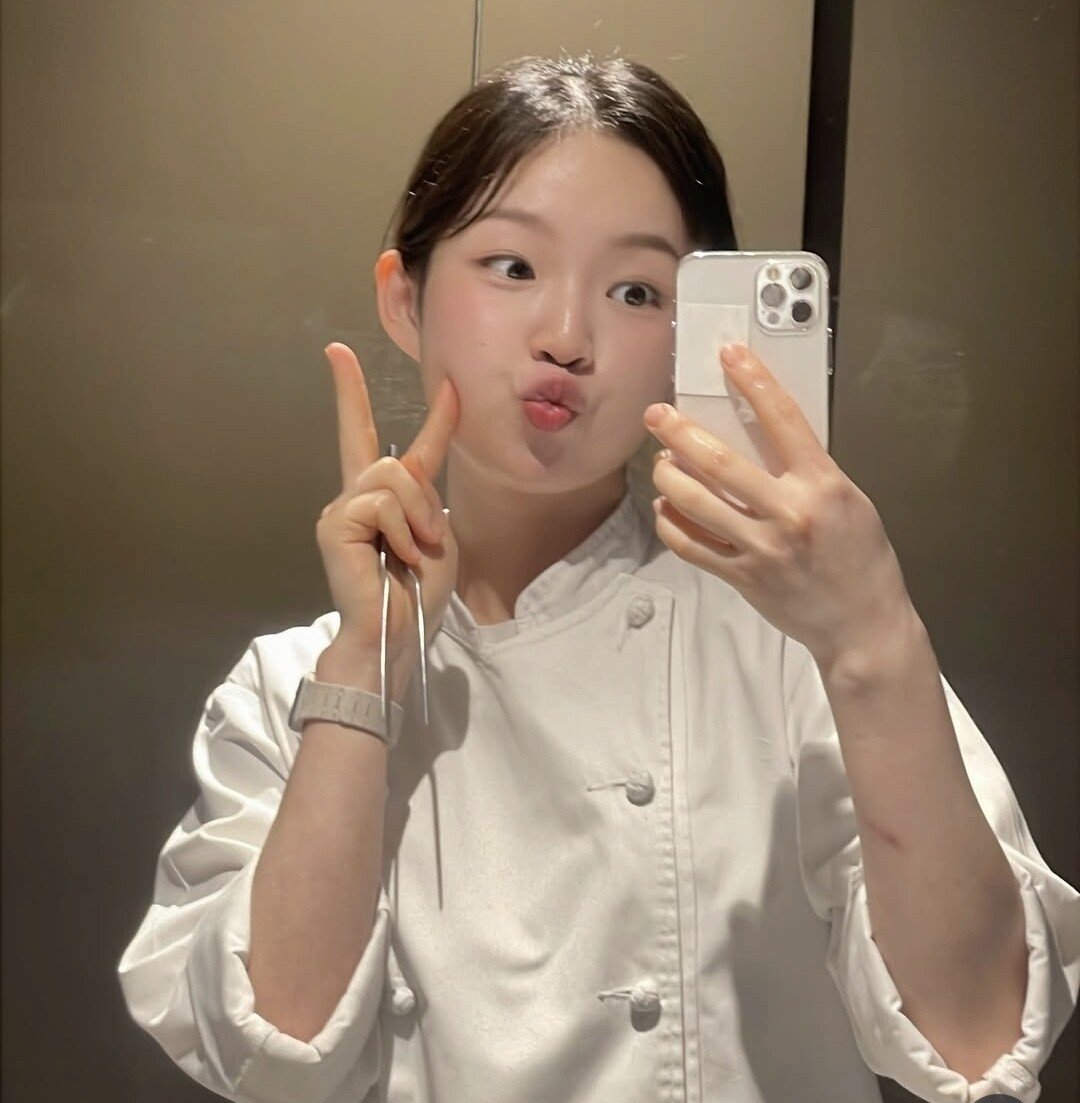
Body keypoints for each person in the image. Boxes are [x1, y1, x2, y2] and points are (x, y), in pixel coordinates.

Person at [117, 55, 1078, 1103]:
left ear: (691, 335)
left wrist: (874, 641)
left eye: (635, 291)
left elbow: (980, 1036)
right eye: (511, 266)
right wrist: (367, 668)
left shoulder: (794, 647)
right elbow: (272, 1054)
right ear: (404, 297)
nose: (566, 339)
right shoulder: (290, 688)